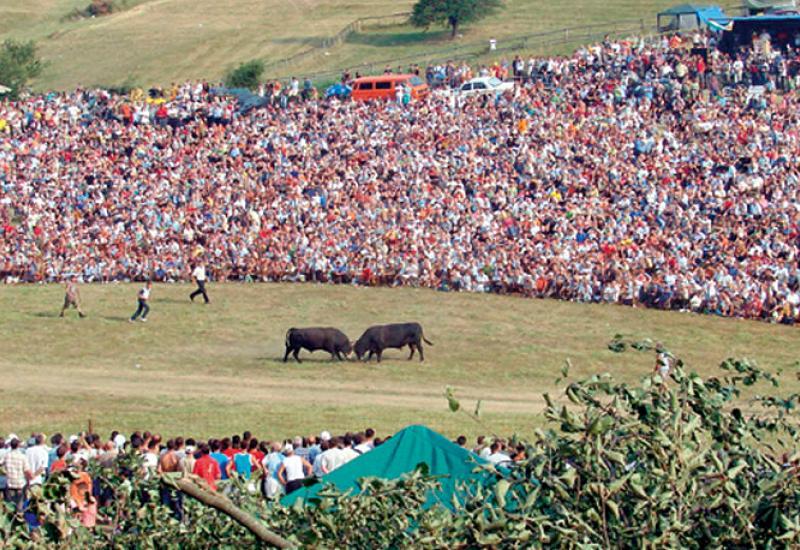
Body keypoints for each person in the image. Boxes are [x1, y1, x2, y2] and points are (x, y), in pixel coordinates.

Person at [1, 437, 29, 513]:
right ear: (18, 445)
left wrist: (4, 471)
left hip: (10, 483)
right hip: (20, 483)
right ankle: (19, 518)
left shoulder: (7, 455)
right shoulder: (22, 456)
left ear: (10, 445)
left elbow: (0, 463)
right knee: (19, 505)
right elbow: (26, 470)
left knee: (10, 505)